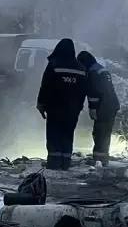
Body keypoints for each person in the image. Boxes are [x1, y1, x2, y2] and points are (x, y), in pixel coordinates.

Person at [35, 37, 88, 170]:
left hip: (55, 108)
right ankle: (65, 163)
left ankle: (54, 163)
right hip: (72, 110)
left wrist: (41, 104)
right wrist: (79, 107)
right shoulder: (81, 68)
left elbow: (45, 85)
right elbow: (83, 90)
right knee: (67, 134)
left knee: (54, 134)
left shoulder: (54, 64)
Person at [77, 50, 120, 165]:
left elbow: (94, 93)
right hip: (112, 105)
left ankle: (99, 160)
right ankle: (103, 158)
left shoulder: (92, 72)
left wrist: (93, 108)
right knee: (105, 133)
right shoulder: (101, 69)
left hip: (103, 106)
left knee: (100, 132)